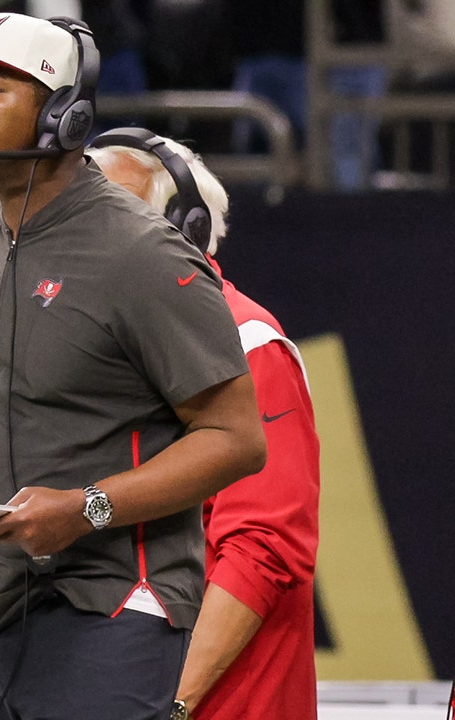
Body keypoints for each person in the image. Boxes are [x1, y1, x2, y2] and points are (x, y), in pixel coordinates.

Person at [0, 13, 267, 719]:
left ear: (62, 119)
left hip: (111, 602)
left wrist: (89, 508)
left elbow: (236, 439)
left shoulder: (143, 253)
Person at [88, 128, 320, 720]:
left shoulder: (247, 345)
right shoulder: (98, 347)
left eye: (106, 215)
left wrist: (172, 703)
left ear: (181, 232)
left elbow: (261, 550)